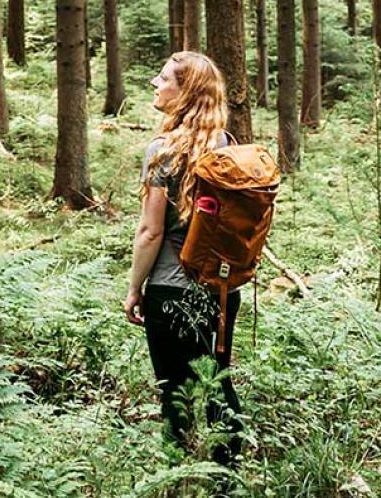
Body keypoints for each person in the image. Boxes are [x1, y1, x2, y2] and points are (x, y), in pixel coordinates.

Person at [123, 51, 243, 467]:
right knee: (214, 380)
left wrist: (134, 288)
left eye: (163, 79)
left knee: (176, 391)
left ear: (184, 91)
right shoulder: (226, 145)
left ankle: (181, 475)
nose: (155, 85)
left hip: (171, 290)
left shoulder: (161, 150)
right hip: (220, 288)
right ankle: (227, 474)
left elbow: (151, 231)